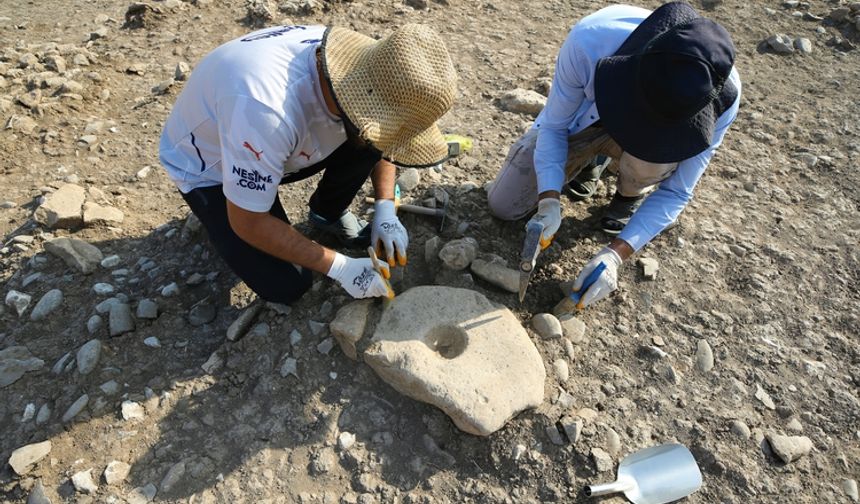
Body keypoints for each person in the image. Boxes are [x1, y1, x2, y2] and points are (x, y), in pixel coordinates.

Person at [159, 24, 457, 304]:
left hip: (278, 142)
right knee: (288, 284)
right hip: (213, 166)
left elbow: (388, 139)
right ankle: (223, 208)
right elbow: (248, 222)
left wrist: (385, 206)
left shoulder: (374, 65)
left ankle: (326, 213)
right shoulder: (265, 113)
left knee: (367, 141)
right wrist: (340, 267)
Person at [487, 2, 741, 308]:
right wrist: (550, 200)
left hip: (649, 148)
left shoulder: (720, 97)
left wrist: (616, 254)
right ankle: (593, 161)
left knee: (648, 163)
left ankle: (628, 193)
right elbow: (554, 128)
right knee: (503, 205)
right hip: (585, 121)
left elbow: (677, 192)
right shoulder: (590, 42)